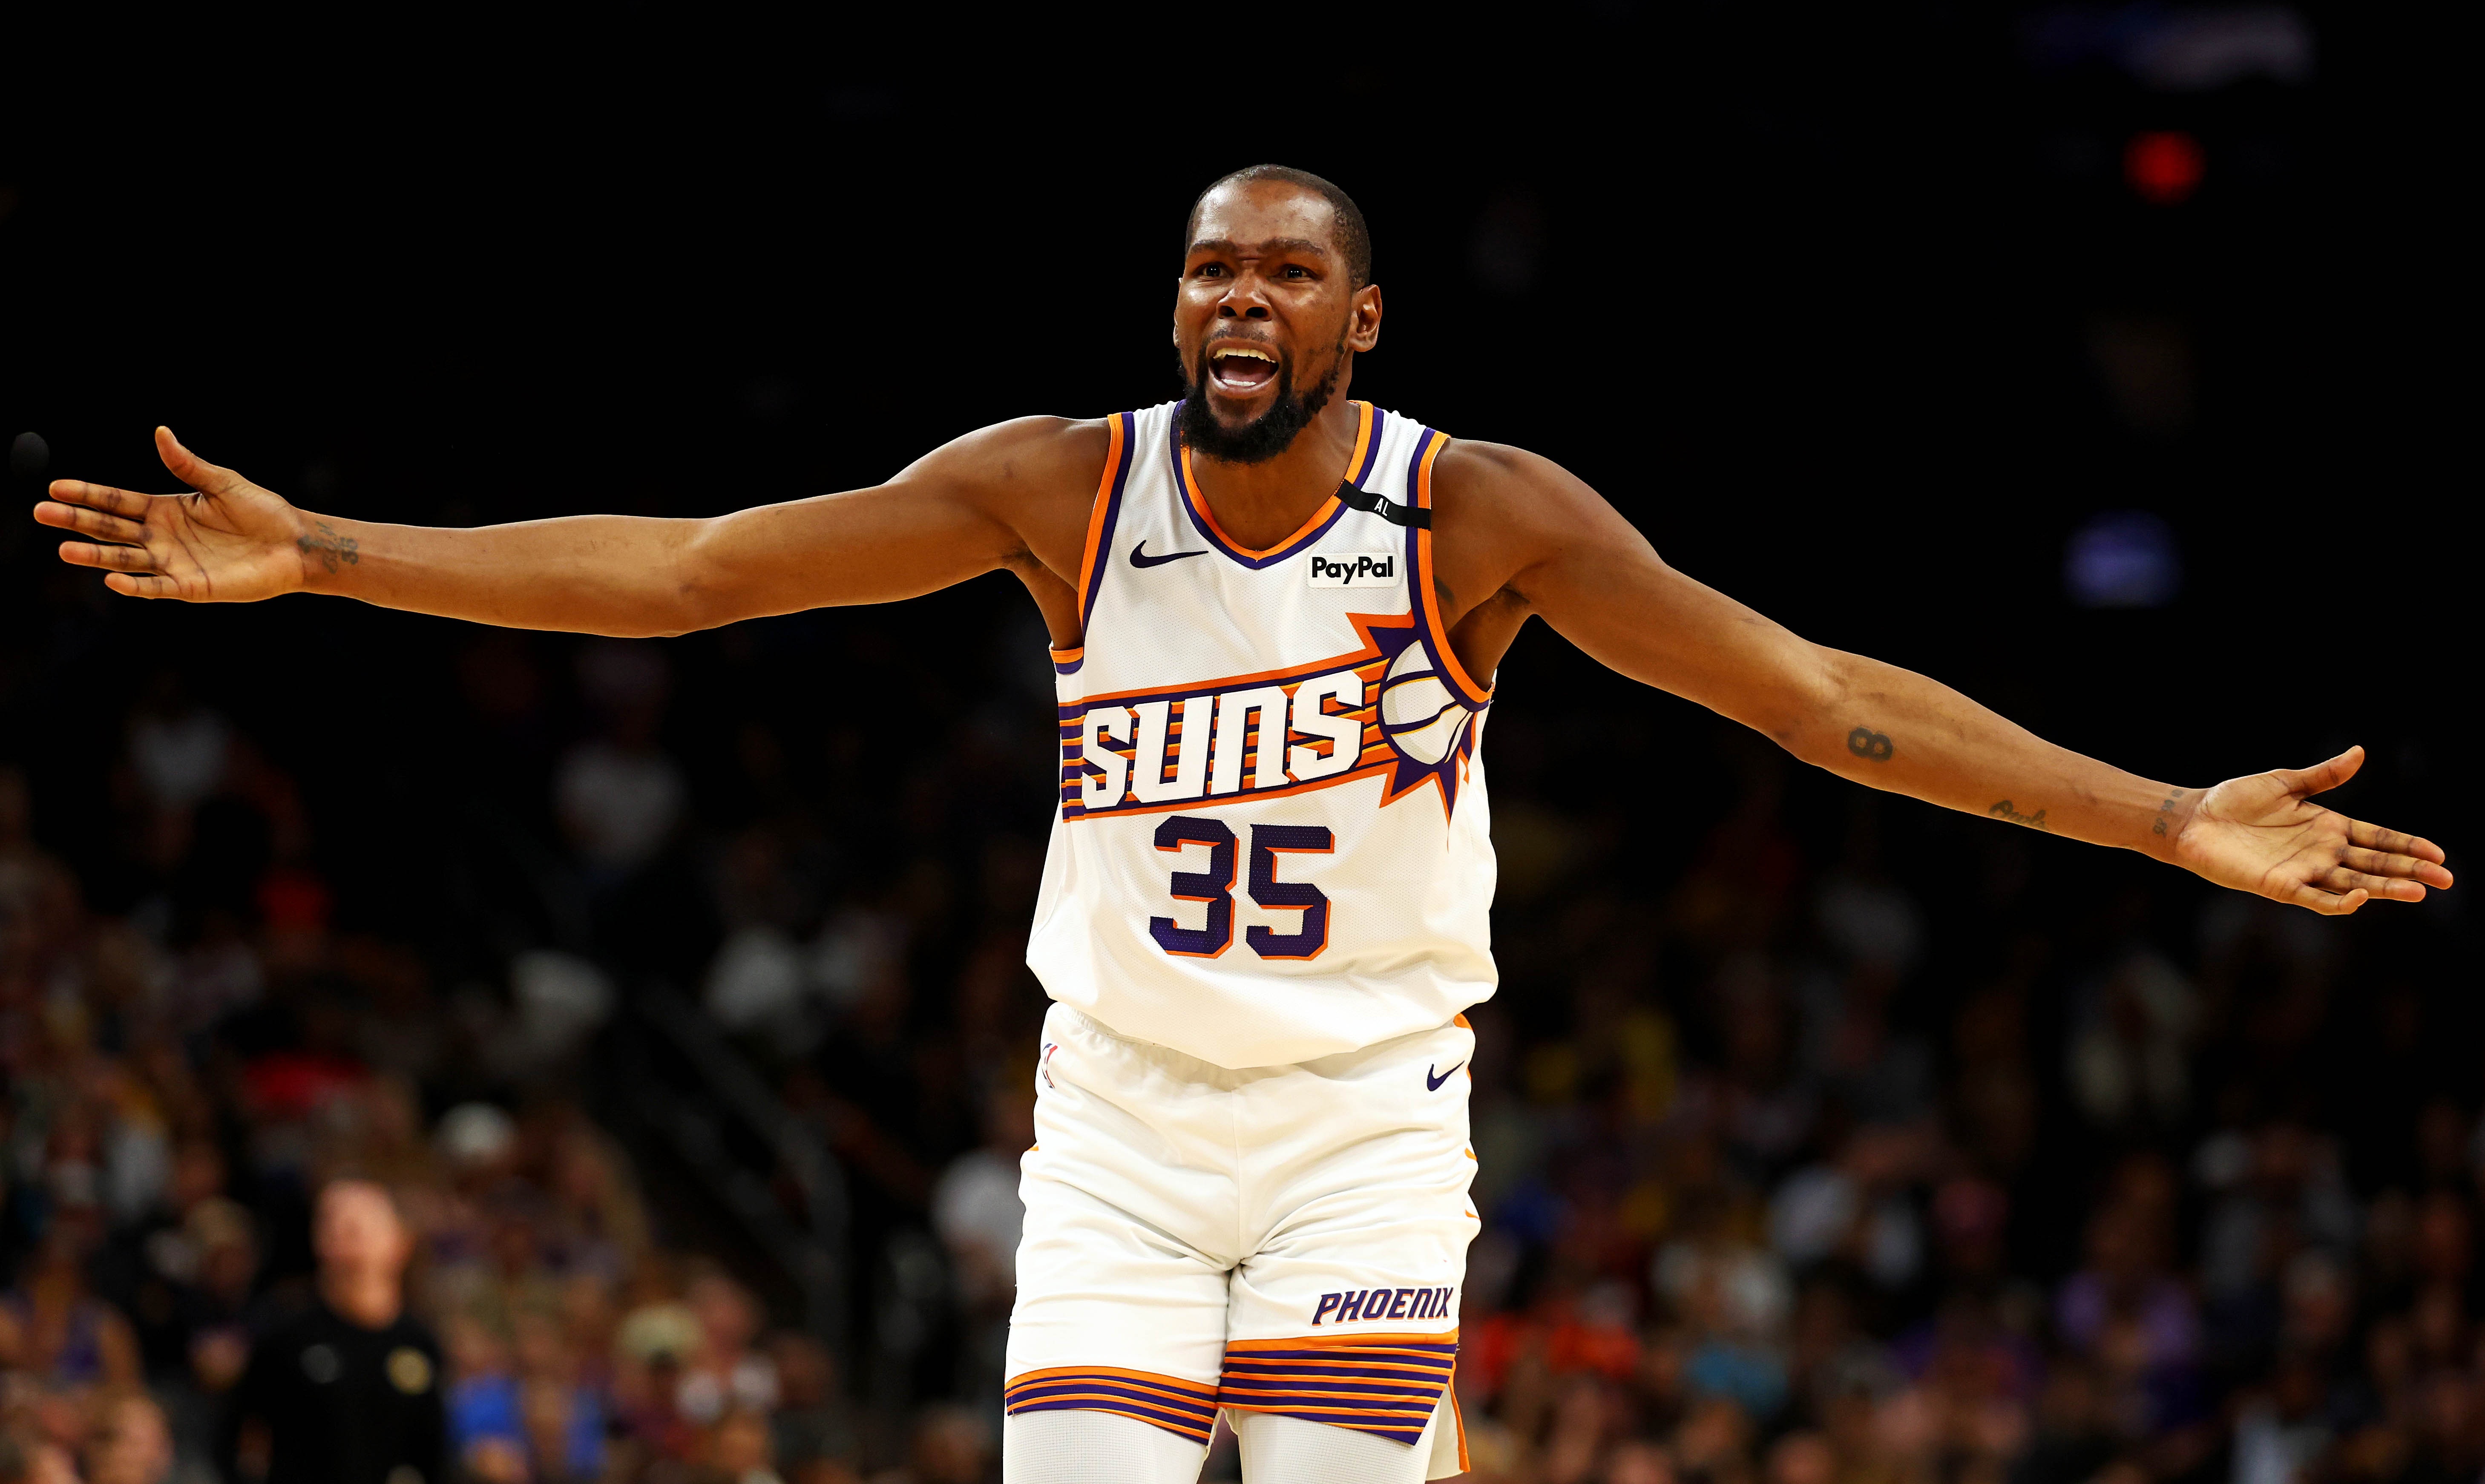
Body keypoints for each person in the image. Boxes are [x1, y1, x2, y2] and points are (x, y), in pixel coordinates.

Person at [35, 166, 2453, 1483]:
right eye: (1208, 262)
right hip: (1111, 1130)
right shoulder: (1055, 487)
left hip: (1362, 1133)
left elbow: (1821, 701)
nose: (1239, 293)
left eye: (1288, 267)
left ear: (1359, 319)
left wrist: (2162, 815)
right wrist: (329, 551)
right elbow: (687, 570)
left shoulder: (1477, 515)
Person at [220, 1179, 445, 1484]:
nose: (342, 1234)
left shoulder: (420, 1344)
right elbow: (236, 1440)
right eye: (330, 1222)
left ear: (400, 1241)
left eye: (357, 1225)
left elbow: (433, 1454)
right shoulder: (287, 1337)